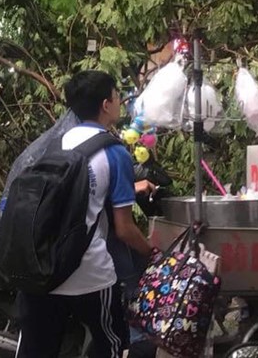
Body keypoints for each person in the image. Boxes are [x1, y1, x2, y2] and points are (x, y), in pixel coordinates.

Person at [16, 70, 156, 358]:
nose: (120, 102)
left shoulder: (56, 143)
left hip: (44, 271)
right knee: (114, 347)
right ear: (106, 104)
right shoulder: (115, 152)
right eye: (118, 96)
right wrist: (152, 252)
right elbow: (124, 229)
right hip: (90, 276)